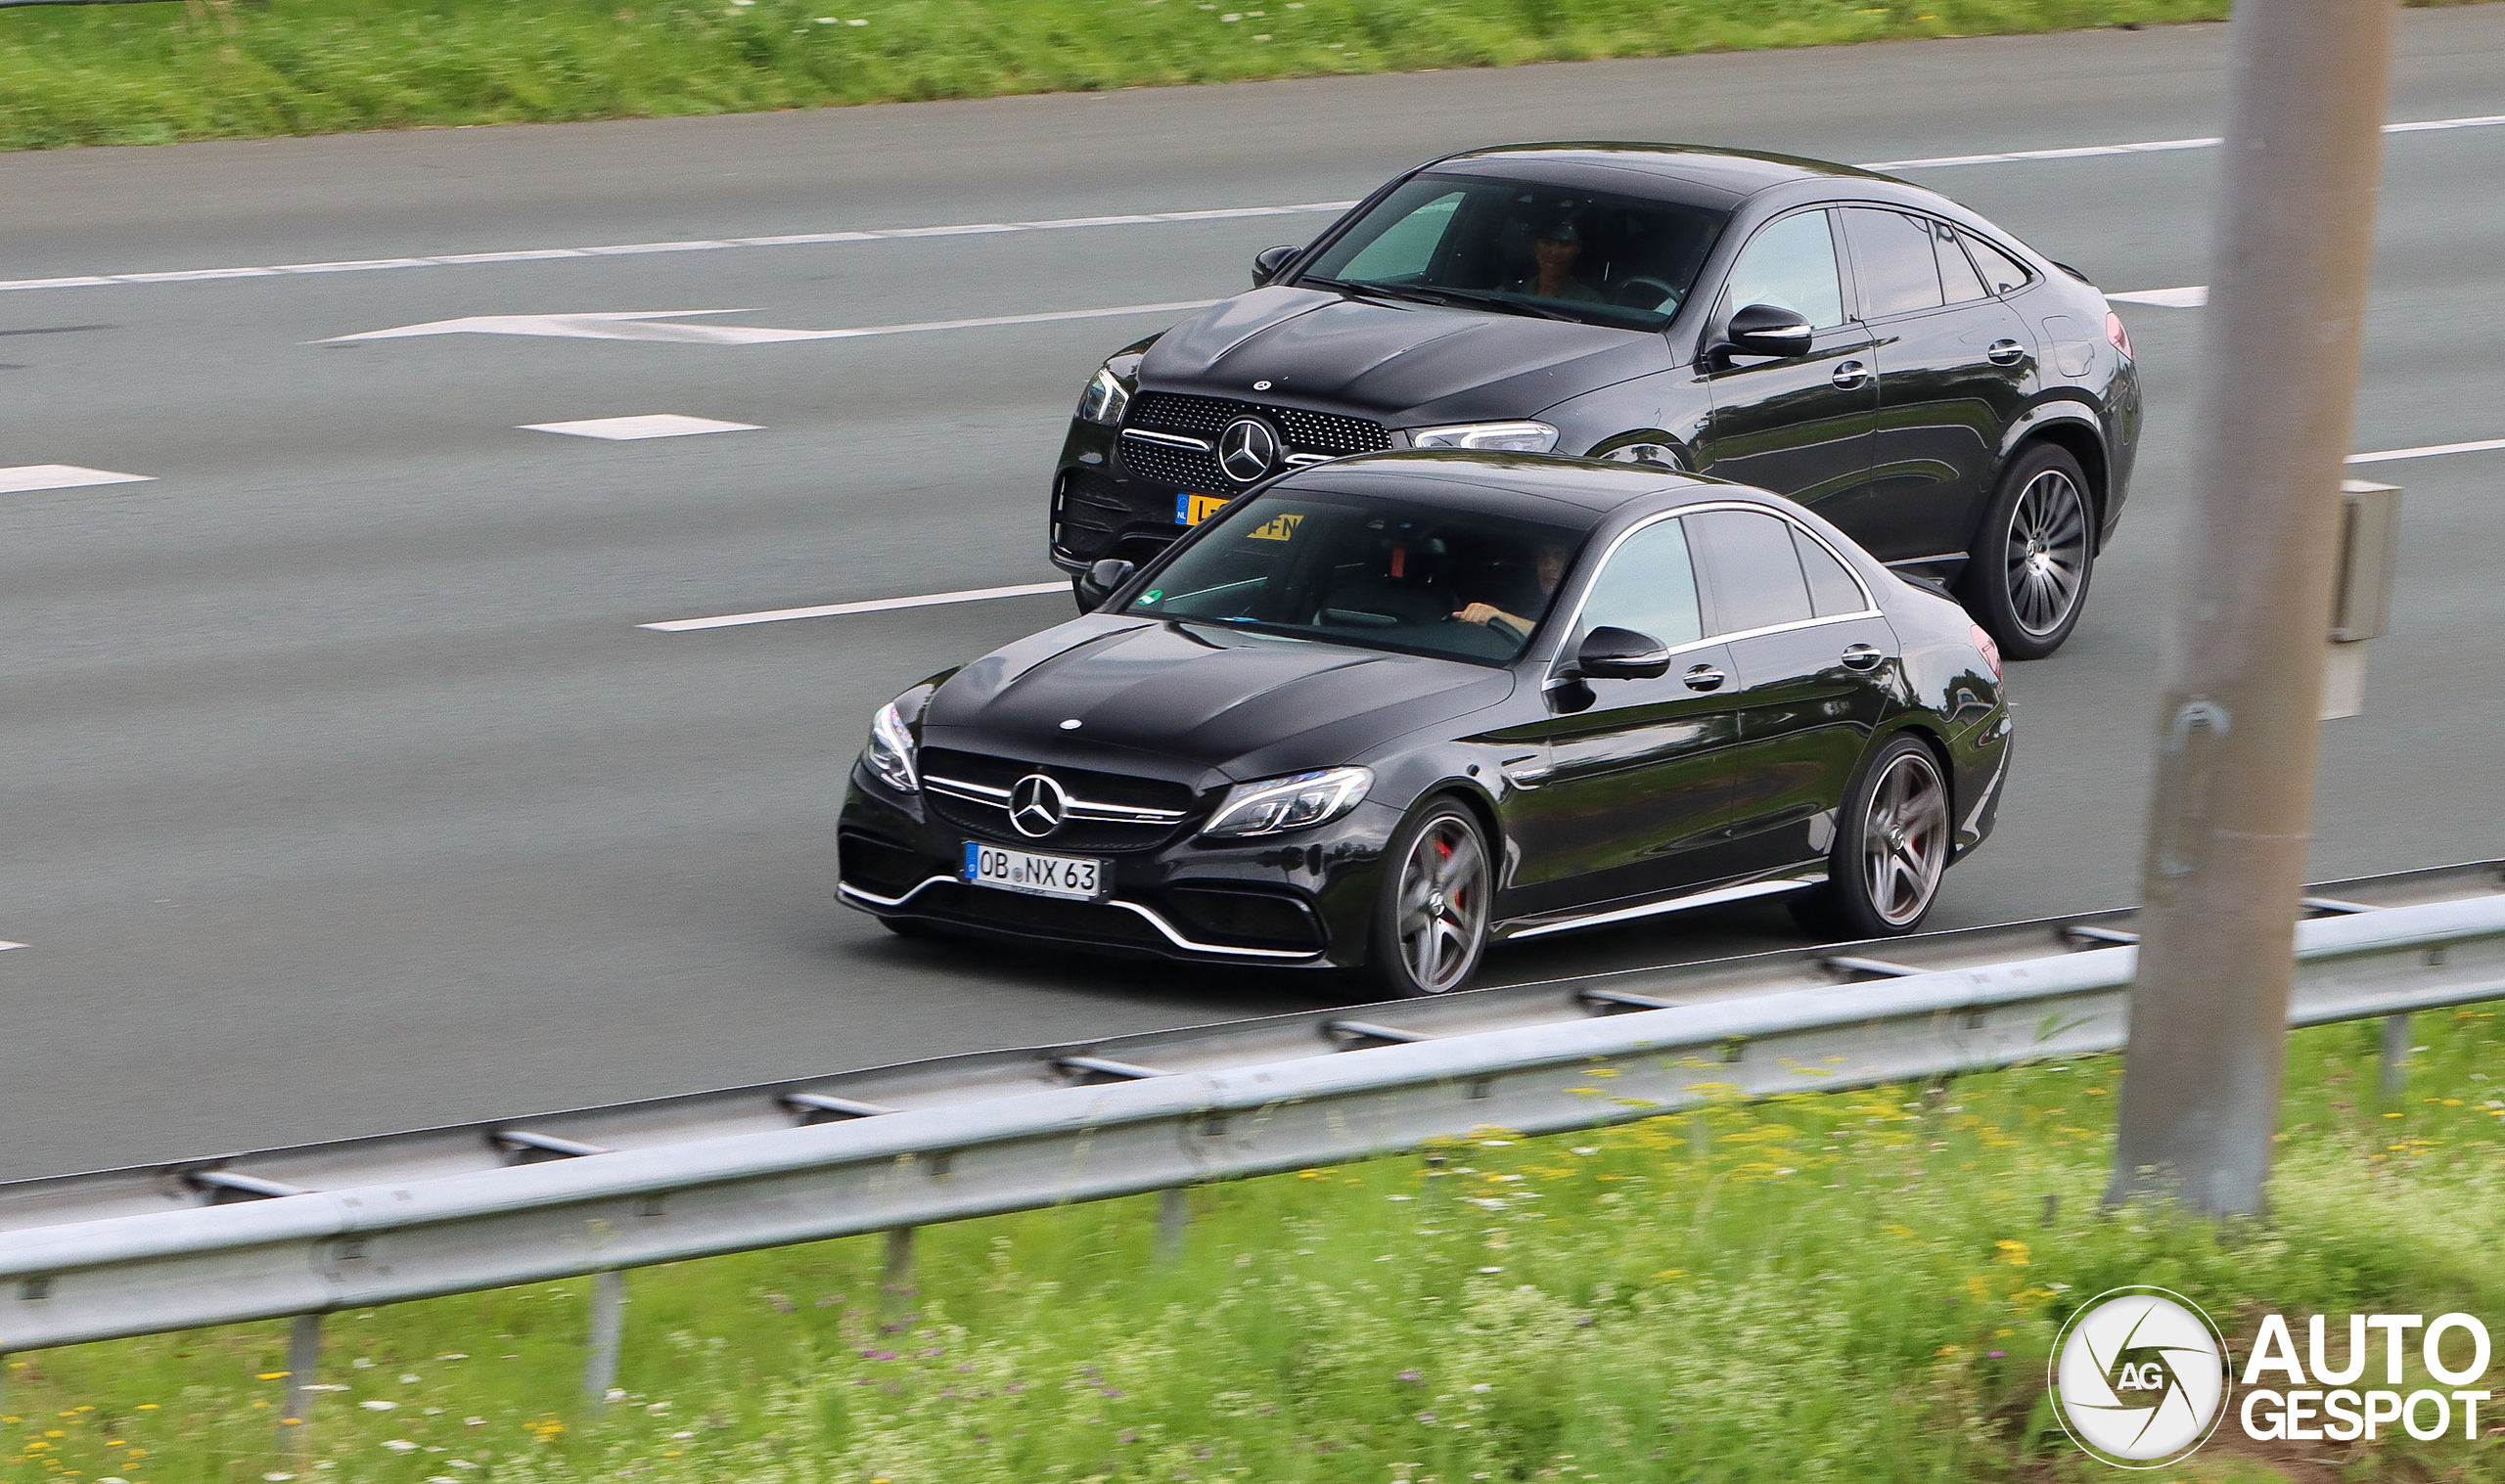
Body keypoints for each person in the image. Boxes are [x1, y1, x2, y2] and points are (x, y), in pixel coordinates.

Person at [1452, 539, 1571, 639]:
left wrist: (1500, 617)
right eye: (1543, 555)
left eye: (1560, 556)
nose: (1549, 566)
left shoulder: (1582, 604)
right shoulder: (1532, 606)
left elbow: (1562, 637)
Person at [1506, 220, 1606, 304]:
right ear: (1535, 246)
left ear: (1578, 248)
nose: (1555, 252)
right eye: (1547, 243)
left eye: (1565, 244)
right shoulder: (1507, 295)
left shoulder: (1591, 303)